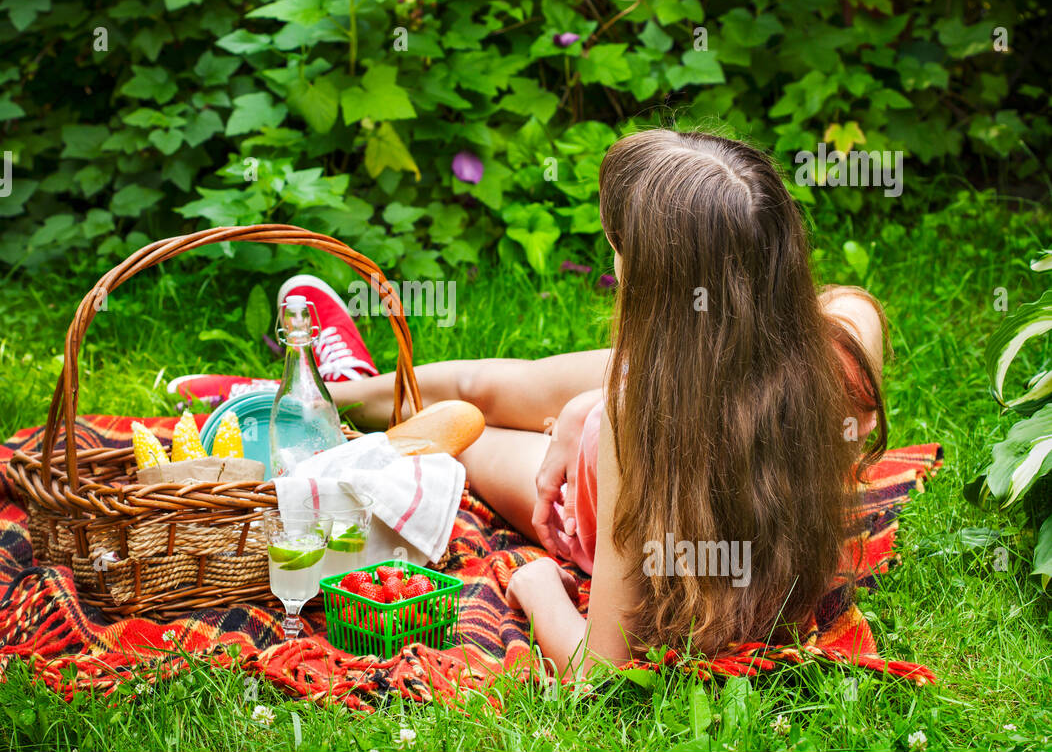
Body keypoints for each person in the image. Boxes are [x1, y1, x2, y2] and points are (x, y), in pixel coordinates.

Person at [182, 129, 888, 679]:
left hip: (599, 494)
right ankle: (334, 387)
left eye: (619, 251)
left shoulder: (633, 428)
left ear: (652, 288)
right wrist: (589, 404)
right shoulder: (845, 346)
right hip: (659, 395)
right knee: (493, 391)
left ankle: (314, 406)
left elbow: (599, 673)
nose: (614, 264)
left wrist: (534, 584)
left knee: (466, 426)